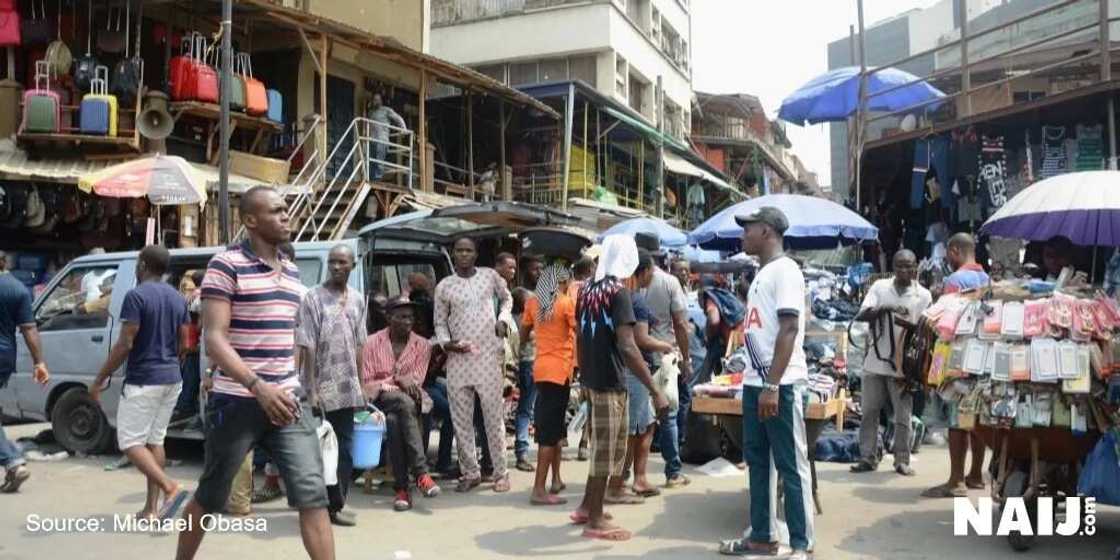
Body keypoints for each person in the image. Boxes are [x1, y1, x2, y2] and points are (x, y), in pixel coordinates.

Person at [176, 186, 334, 560]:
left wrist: (294, 383)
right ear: (250, 220)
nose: (286, 216)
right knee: (211, 495)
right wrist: (258, 386)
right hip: (236, 401)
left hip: (288, 402)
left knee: (313, 497)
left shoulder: (293, 271)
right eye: (276, 211)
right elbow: (214, 338)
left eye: (286, 210)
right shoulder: (226, 265)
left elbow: (287, 337)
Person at [719, 207, 814, 559]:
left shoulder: (785, 271)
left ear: (767, 231)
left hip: (781, 384)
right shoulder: (763, 273)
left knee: (791, 466)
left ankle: (803, 545)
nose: (743, 234)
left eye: (749, 228)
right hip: (755, 382)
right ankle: (762, 535)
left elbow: (789, 328)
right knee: (757, 462)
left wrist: (773, 385)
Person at [571, 235, 668, 542]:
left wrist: (584, 377)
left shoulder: (587, 290)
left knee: (605, 446)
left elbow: (580, 338)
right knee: (607, 449)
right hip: (611, 380)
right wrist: (655, 389)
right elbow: (628, 345)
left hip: (593, 378)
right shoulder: (619, 293)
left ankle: (588, 506)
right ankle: (596, 520)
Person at [90, 245, 189, 520]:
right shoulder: (179, 298)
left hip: (145, 379)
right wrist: (172, 363)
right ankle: (151, 509)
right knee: (154, 441)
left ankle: (170, 487)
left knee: (130, 443)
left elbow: (125, 343)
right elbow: (185, 342)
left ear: (143, 265)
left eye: (137, 262)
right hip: (172, 378)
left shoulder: (136, 296)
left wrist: (100, 379)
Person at [295, 244, 368, 527]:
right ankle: (316, 507)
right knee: (318, 451)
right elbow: (307, 344)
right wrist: (311, 389)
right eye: (333, 262)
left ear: (352, 265)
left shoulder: (358, 300)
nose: (337, 267)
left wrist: (362, 384)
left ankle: (336, 506)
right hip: (319, 387)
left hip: (347, 387)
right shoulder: (312, 298)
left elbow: (361, 344)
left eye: (342, 262)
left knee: (345, 450)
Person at [434, 237, 512, 493]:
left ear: (476, 254)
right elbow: (439, 322)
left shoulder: (490, 276)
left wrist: (502, 319)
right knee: (461, 420)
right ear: (453, 254)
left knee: (492, 418)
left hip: (488, 356)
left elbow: (508, 299)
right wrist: (447, 343)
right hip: (458, 360)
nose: (464, 254)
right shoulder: (444, 286)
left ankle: (501, 473)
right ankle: (470, 472)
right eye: (459, 251)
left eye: (469, 250)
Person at [850, 250, 931, 477]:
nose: (904, 271)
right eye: (900, 266)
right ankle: (867, 457)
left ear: (916, 267)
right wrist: (885, 309)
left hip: (903, 367)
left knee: (902, 416)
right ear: (893, 267)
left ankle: (901, 460)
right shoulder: (879, 288)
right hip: (874, 362)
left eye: (909, 266)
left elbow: (926, 331)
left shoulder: (922, 296)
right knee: (869, 412)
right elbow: (862, 315)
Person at [922, 233, 990, 500]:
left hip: (958, 356)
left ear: (954, 250)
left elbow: (945, 324)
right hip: (981, 355)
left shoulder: (954, 281)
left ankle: (956, 480)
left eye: (948, 254)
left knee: (955, 419)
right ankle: (975, 475)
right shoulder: (986, 279)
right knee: (975, 417)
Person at [361, 295, 442, 511]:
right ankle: (421, 474)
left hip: (411, 401)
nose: (408, 321)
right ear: (389, 317)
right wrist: (397, 379)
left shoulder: (422, 345)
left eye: (410, 317)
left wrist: (401, 382)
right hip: (379, 399)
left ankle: (402, 490)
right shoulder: (371, 343)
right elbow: (368, 381)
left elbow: (417, 380)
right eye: (402, 317)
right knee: (400, 403)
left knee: (395, 420)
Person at [608, 250, 674, 504]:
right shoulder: (634, 300)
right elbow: (640, 340)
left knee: (645, 426)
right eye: (651, 272)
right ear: (643, 271)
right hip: (634, 372)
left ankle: (639, 477)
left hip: (626, 370)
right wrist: (665, 346)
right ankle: (619, 483)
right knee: (633, 429)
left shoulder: (623, 297)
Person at [637, 240, 693, 489]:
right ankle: (672, 473)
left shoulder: (629, 282)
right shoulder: (669, 283)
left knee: (641, 417)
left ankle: (633, 475)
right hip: (665, 356)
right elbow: (681, 323)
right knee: (668, 415)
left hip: (637, 358)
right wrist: (687, 358)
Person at [521, 264, 577, 505]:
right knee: (548, 433)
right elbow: (580, 331)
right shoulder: (565, 303)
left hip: (542, 368)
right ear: (562, 283)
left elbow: (523, 334)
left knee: (555, 428)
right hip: (560, 370)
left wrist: (534, 337)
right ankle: (538, 490)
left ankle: (555, 479)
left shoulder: (533, 303)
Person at [0, 251, 49, 493]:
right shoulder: (18, 289)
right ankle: (11, 462)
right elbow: (29, 329)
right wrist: (39, 362)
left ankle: (12, 462)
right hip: (6, 356)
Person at [367, 93, 408, 181]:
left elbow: (398, 118)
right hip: (372, 140)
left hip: (382, 140)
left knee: (379, 162)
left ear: (381, 101)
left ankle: (377, 181)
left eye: (377, 99)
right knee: (371, 162)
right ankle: (371, 180)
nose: (376, 101)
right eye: (374, 99)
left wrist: (403, 128)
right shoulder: (371, 113)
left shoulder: (386, 110)